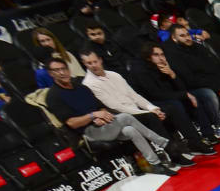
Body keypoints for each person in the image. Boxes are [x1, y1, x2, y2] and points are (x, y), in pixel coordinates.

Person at [43, 55, 181, 174]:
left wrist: (103, 115)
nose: (62, 72)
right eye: (57, 70)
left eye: (64, 68)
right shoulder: (53, 96)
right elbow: (72, 123)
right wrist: (93, 116)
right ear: (50, 73)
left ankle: (156, 164)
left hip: (104, 125)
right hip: (88, 132)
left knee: (130, 130)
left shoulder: (82, 88)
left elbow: (100, 106)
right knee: (125, 117)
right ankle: (164, 143)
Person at [79, 47, 194, 155]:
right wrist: (147, 112)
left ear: (100, 60)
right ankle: (174, 154)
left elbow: (134, 95)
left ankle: (194, 142)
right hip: (121, 116)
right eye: (89, 63)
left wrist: (152, 108)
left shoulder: (114, 75)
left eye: (95, 61)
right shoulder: (89, 84)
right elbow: (115, 106)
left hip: (136, 110)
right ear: (84, 64)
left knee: (172, 107)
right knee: (152, 117)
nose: (93, 65)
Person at [126, 40, 220, 153]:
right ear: (148, 57)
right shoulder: (140, 70)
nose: (161, 58)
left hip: (166, 97)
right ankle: (195, 142)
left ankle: (208, 134)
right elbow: (155, 94)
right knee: (176, 104)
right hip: (149, 103)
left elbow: (181, 88)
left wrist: (172, 74)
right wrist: (184, 95)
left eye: (162, 54)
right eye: (156, 55)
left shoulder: (163, 66)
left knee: (193, 96)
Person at [165, 22, 220, 130]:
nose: (187, 38)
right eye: (182, 36)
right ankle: (218, 125)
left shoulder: (197, 46)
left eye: (188, 34)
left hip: (213, 79)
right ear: (174, 38)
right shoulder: (173, 55)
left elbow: (217, 64)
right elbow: (191, 79)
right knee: (209, 93)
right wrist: (218, 89)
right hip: (197, 86)